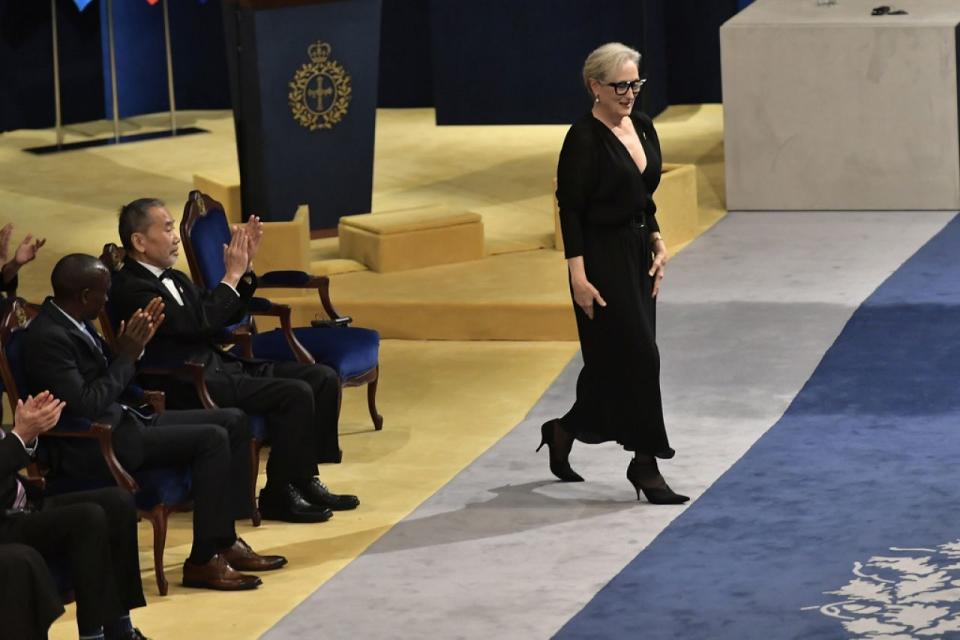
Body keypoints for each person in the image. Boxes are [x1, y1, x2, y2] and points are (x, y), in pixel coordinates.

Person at [24, 254, 288, 590]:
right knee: (212, 439)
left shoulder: (73, 318)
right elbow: (87, 404)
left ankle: (224, 541)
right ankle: (202, 562)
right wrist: (127, 356)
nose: (108, 300)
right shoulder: (49, 337)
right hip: (97, 442)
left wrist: (126, 352)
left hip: (127, 419)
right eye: (104, 294)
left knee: (234, 420)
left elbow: (106, 377)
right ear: (86, 295)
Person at [110, 198, 359, 522]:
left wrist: (244, 274)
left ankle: (304, 478)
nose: (174, 238)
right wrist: (231, 275)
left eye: (174, 228)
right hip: (187, 380)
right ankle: (278, 495)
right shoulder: (132, 288)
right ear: (139, 241)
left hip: (220, 366)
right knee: (295, 393)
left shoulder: (175, 277)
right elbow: (197, 324)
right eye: (168, 228)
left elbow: (220, 312)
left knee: (321, 377)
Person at [542, 42, 689, 505]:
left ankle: (563, 430)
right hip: (600, 260)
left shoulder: (643, 126)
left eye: (635, 83)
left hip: (637, 253)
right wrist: (577, 277)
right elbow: (571, 210)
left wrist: (657, 237)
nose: (630, 93)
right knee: (643, 356)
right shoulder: (583, 139)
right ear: (595, 87)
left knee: (613, 366)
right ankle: (645, 464)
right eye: (620, 85)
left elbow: (642, 196)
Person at [0, 391, 148, 640]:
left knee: (118, 502)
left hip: (23, 502)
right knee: (87, 518)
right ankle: (92, 635)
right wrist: (20, 436)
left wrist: (29, 432)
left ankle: (119, 629)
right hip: (5, 521)